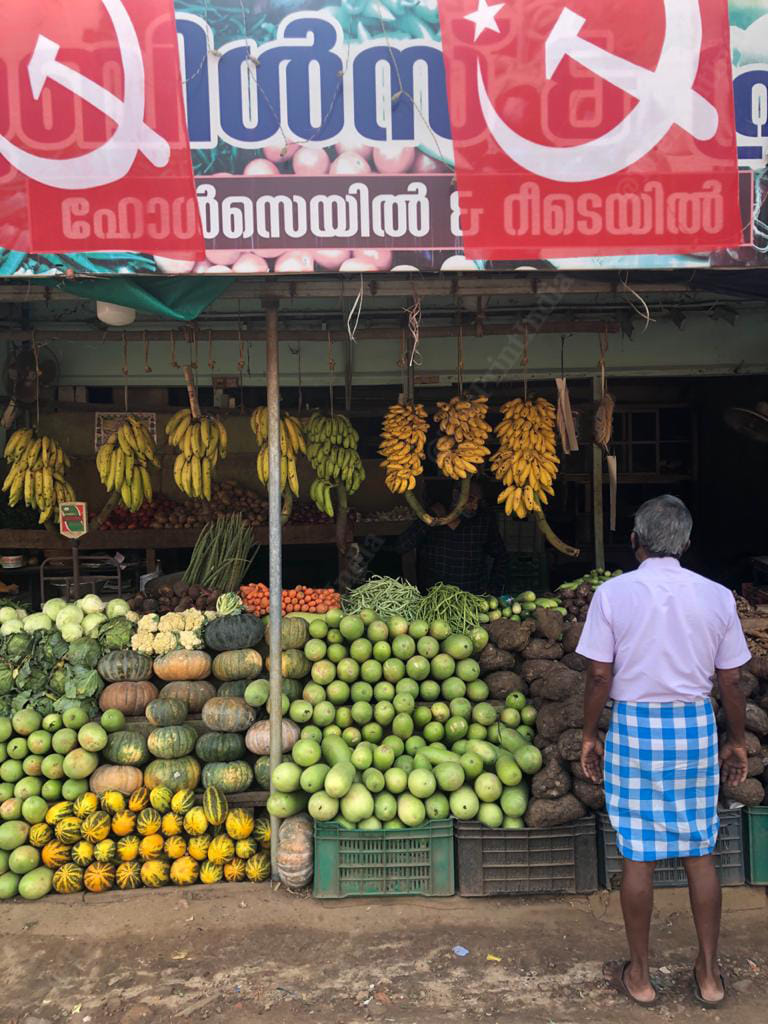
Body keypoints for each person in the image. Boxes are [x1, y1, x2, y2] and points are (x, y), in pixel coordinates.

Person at [575, 495, 749, 1009]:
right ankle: (710, 974)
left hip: (633, 728)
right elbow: (732, 681)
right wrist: (736, 739)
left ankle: (642, 976)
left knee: (637, 853)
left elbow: (599, 674)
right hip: (693, 728)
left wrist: (589, 734)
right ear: (687, 543)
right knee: (700, 851)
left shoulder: (613, 594)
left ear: (635, 542)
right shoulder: (717, 597)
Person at [393, 478, 509, 595]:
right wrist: (429, 519)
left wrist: (493, 591)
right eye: (470, 499)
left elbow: (502, 556)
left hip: (471, 599)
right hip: (432, 599)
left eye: (478, 502)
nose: (475, 507)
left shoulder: (483, 521)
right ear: (455, 495)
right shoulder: (431, 519)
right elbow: (401, 546)